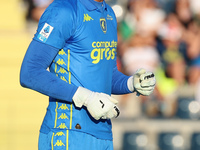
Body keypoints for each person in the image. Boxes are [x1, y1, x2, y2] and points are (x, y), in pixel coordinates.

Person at [20, 0, 156, 149]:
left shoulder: (109, 13)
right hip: (67, 132)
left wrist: (131, 83)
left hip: (103, 134)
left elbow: (106, 75)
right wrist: (86, 98)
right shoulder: (64, 10)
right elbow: (30, 72)